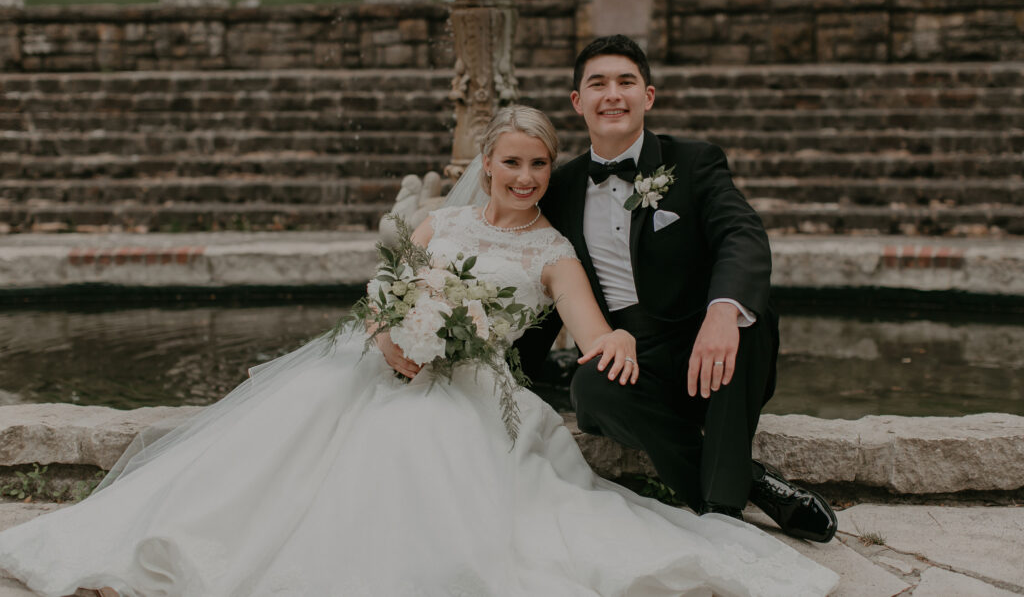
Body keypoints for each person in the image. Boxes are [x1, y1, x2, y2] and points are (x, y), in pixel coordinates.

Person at [0, 106, 837, 596]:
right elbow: (382, 295)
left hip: (468, 390)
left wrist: (615, 335)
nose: (525, 177)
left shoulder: (552, 253)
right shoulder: (439, 223)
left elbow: (589, 330)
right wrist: (393, 338)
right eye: (511, 162)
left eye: (540, 164)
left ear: (551, 169)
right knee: (285, 446)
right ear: (486, 162)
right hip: (375, 367)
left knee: (424, 452)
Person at [515, 35, 838, 542]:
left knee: (747, 323)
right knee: (591, 389)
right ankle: (756, 487)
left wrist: (722, 311)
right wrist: (506, 372)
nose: (612, 94)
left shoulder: (694, 162)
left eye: (626, 82)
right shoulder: (560, 189)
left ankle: (721, 515)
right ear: (578, 102)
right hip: (627, 357)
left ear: (649, 96)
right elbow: (548, 284)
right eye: (597, 84)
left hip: (706, 351)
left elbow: (741, 233)